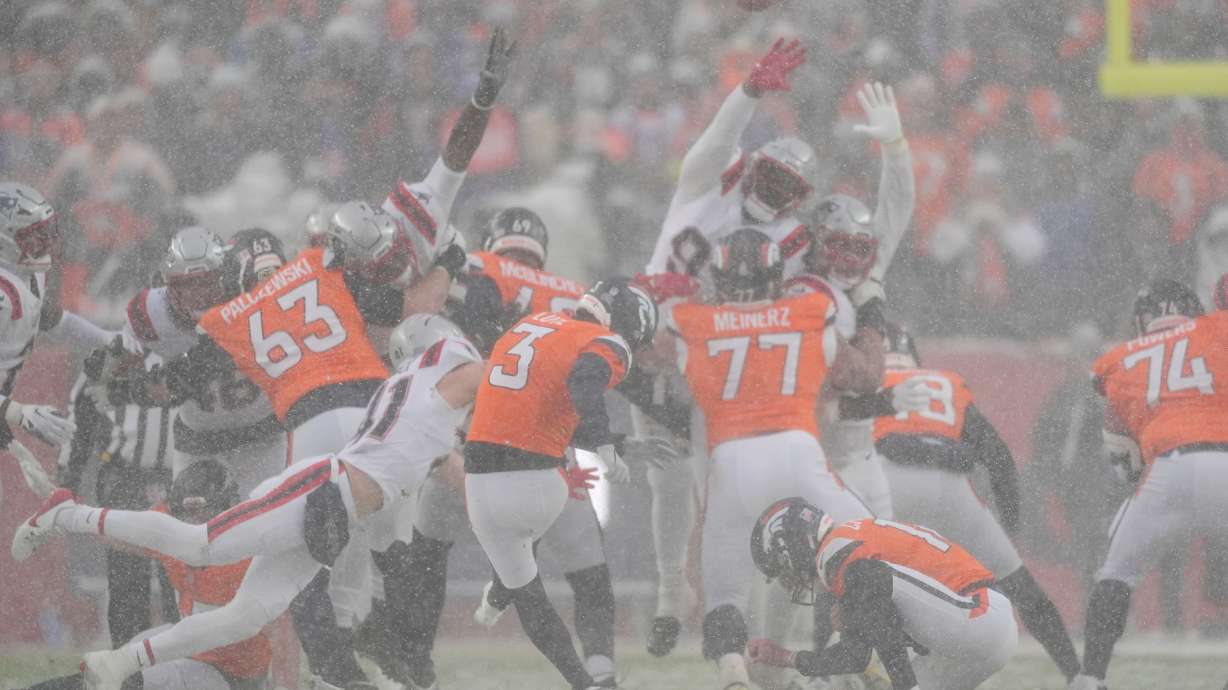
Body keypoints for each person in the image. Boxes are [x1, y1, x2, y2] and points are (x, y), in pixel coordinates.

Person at [13, 302, 486, 690]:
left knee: (245, 615)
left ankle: (120, 662)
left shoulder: (421, 405)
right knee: (201, 543)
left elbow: (460, 480)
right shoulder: (437, 386)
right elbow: (488, 378)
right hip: (319, 491)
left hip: (334, 512)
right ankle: (65, 514)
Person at [385, 208, 622, 689]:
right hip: (547, 448)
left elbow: (431, 318)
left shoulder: (477, 269)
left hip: (474, 432)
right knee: (586, 566)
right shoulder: (573, 296)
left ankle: (415, 663)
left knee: (428, 554)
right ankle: (599, 671)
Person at [665, 229, 884, 690]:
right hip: (795, 448)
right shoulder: (808, 312)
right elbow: (864, 377)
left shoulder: (693, 321)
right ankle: (863, 650)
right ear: (776, 277)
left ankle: (730, 664)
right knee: (871, 546)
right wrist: (871, 312)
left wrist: (656, 294)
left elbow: (645, 359)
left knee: (725, 584)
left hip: (731, 459)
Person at [844, 322, 1080, 682]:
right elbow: (998, 455)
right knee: (1019, 585)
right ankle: (1078, 674)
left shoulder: (863, 383)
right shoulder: (944, 382)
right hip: (950, 485)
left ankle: (834, 666)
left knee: (846, 566)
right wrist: (1009, 526)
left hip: (887, 477)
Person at [462, 277, 658, 690]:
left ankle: (575, 676)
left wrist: (617, 442)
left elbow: (535, 412)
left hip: (478, 484)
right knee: (577, 559)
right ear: (629, 325)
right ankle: (596, 674)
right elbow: (585, 381)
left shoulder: (531, 324)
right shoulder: (606, 340)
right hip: (539, 481)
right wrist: (605, 446)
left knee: (526, 587)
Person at [1069, 280, 1228, 690]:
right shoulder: (1218, 328)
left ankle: (1091, 678)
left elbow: (1122, 456)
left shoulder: (1120, 359)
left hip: (1168, 469)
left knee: (1115, 574)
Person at [17, 460, 272, 690]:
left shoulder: (247, 559)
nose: (191, 526)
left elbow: (278, 631)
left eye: (202, 516)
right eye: (186, 516)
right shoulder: (171, 527)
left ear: (227, 510)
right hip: (188, 647)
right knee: (107, 672)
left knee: (124, 678)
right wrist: (65, 517)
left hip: (230, 676)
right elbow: (121, 534)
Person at [746, 497, 1018, 690]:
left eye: (783, 568)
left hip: (978, 614)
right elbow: (855, 655)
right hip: (975, 628)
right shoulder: (848, 541)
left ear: (795, 546)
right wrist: (785, 658)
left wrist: (903, 682)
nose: (787, 580)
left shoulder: (838, 555)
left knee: (866, 579)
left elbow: (863, 641)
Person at [115, 226, 287, 496]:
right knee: (193, 522)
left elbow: (219, 354)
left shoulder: (248, 296)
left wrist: (186, 372)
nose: (197, 294)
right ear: (168, 286)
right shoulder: (150, 313)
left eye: (205, 282)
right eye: (186, 285)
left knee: (266, 517)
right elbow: (123, 376)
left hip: (263, 432)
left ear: (226, 276)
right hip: (199, 439)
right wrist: (146, 386)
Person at [0, 182, 114, 451]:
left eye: (48, 232)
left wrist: (110, 340)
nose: (48, 243)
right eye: (36, 236)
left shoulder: (27, 270)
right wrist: (18, 413)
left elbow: (51, 319)